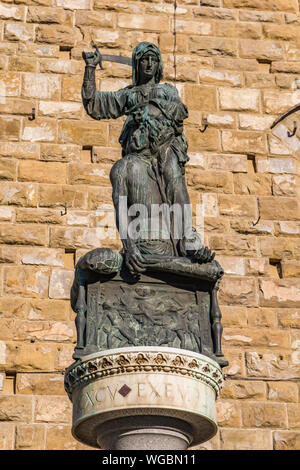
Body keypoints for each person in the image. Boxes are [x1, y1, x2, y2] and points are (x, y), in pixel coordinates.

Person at [82, 42, 213, 275]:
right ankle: (136, 244)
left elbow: (179, 111)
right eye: (144, 59)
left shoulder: (167, 91)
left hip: (166, 146)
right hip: (140, 151)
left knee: (175, 182)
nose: (149, 63)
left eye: (153, 58)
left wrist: (149, 109)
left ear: (159, 64)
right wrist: (90, 69)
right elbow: (96, 105)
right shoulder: (128, 94)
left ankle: (188, 241)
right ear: (137, 64)